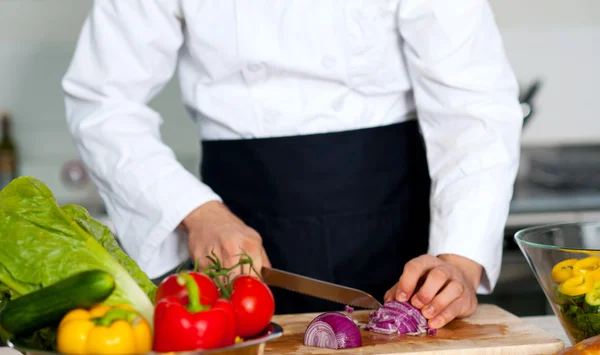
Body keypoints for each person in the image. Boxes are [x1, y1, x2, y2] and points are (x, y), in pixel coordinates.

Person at [62, 1, 523, 329]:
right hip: (236, 229)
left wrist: (459, 261)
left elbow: (475, 106)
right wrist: (196, 212)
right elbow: (102, 101)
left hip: (393, 224)